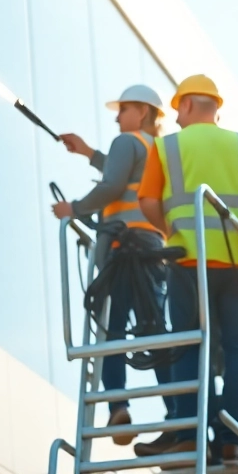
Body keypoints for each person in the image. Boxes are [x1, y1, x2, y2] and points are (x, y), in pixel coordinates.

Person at [134, 74, 238, 465]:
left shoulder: (167, 147)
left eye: (178, 110)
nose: (176, 118)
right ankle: (234, 440)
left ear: (186, 104)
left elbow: (147, 202)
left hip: (189, 262)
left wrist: (171, 230)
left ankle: (188, 434)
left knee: (189, 343)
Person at [53, 84, 171, 444]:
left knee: (112, 328)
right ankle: (178, 410)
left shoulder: (125, 142)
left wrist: (74, 209)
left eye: (123, 110)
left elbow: (112, 185)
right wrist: (88, 152)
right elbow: (124, 173)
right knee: (155, 329)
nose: (117, 117)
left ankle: (117, 406)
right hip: (153, 249)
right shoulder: (158, 151)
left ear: (143, 112)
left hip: (123, 248)